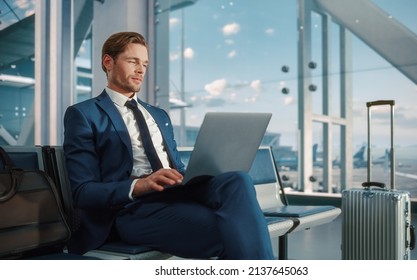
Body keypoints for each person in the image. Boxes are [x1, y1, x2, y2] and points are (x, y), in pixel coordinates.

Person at [63, 31, 274, 259]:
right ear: (108, 62)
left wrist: (191, 176)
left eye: (144, 63)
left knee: (238, 179)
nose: (141, 69)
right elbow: (83, 192)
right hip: (133, 209)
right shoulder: (84, 114)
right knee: (235, 230)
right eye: (133, 61)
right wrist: (141, 185)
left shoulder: (158, 115)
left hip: (176, 195)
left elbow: (176, 166)